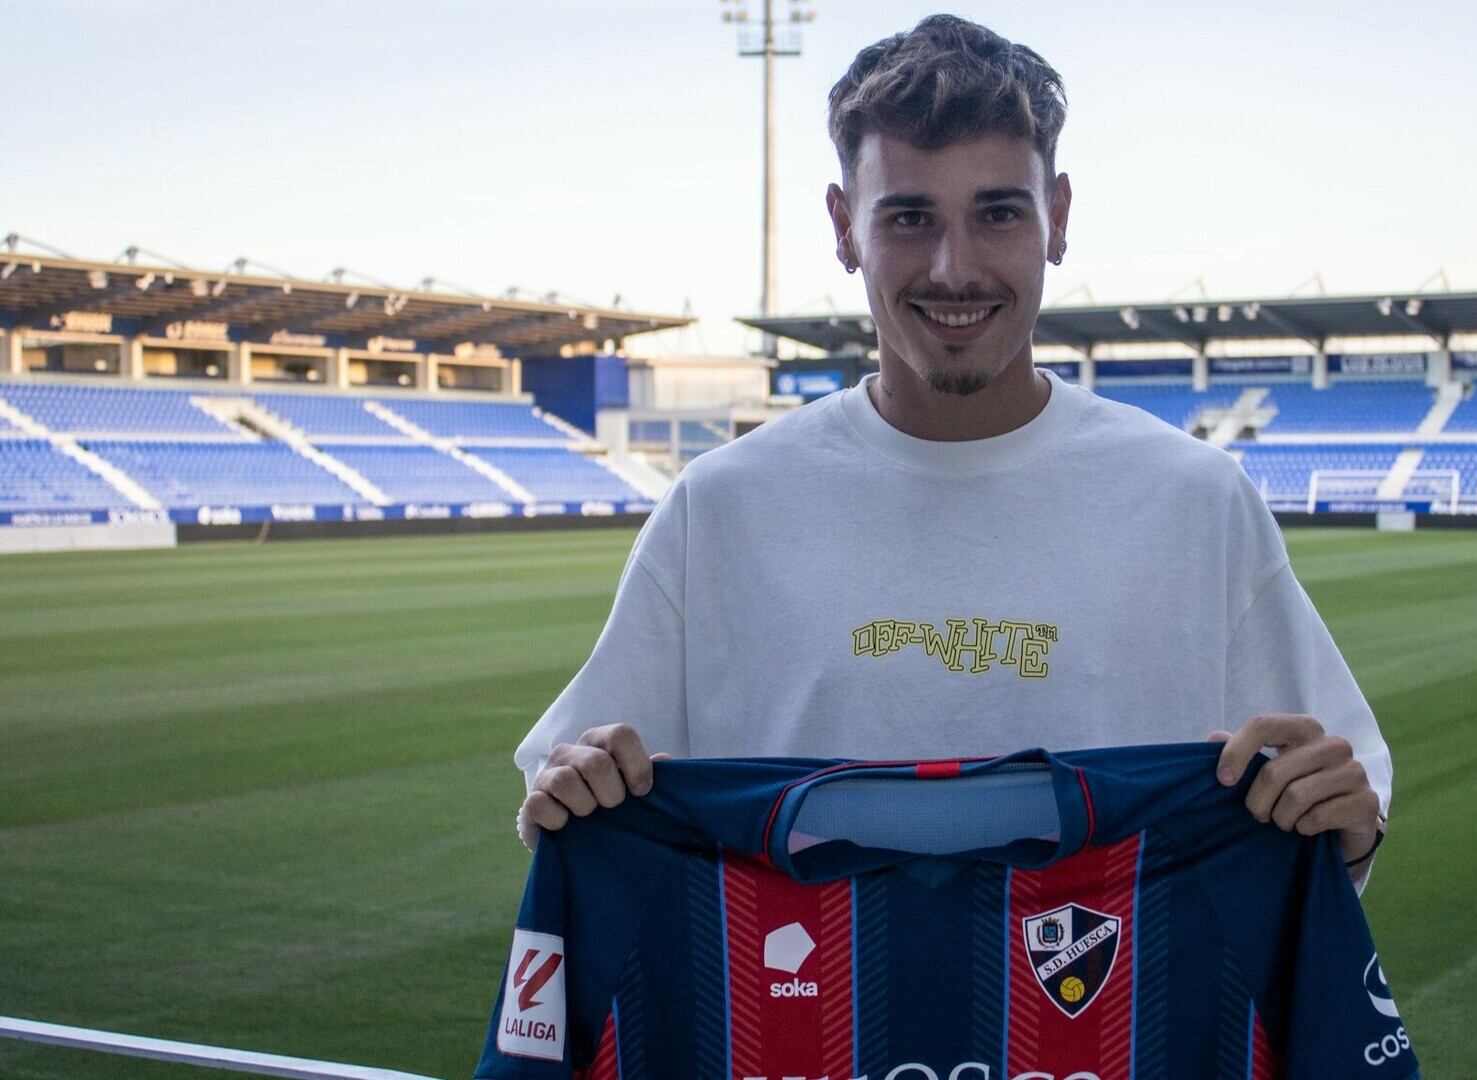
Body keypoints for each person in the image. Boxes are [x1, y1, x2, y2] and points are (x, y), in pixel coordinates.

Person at [514, 13, 1392, 886]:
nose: (952, 268)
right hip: (807, 1025)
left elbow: (1333, 802)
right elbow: (577, 793)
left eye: (998, 213)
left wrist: (1341, 817)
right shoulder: (720, 509)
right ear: (844, 226)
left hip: (1113, 1025)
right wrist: (575, 788)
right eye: (908, 217)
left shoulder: (1196, 501)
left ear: (1057, 216)